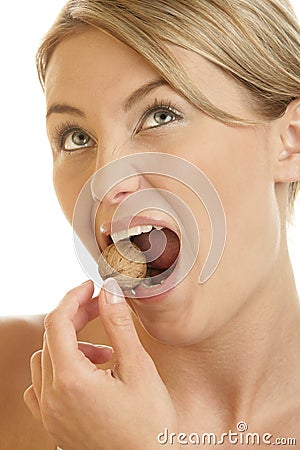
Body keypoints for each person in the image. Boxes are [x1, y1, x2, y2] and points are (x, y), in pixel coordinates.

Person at [1, 0, 300, 448]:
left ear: (290, 141)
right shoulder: (13, 374)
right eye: (76, 137)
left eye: (161, 115)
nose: (105, 182)